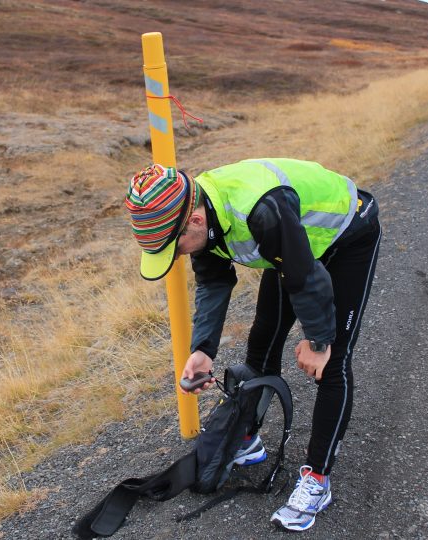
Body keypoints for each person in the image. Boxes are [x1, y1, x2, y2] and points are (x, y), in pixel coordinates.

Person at [124, 158, 381, 532]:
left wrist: (319, 340)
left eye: (173, 247)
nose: (177, 255)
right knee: (262, 343)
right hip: (293, 247)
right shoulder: (199, 211)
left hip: (347, 236)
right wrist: (202, 350)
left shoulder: (261, 210)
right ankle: (249, 439)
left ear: (193, 222)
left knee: (334, 362)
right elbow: (214, 283)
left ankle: (318, 480)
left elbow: (307, 277)